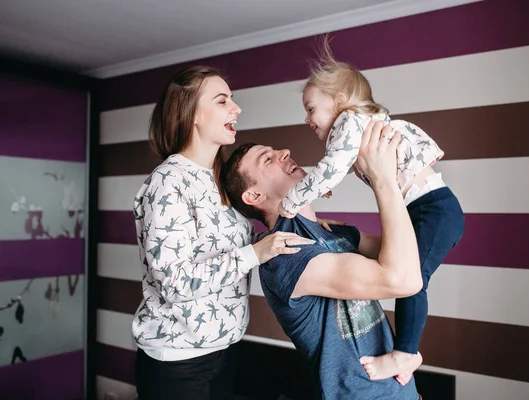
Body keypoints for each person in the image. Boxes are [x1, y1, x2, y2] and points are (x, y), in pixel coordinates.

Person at [277, 42, 465, 382]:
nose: (307, 119)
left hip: (433, 209)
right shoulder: (355, 126)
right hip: (429, 209)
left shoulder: (349, 121)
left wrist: (290, 201)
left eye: (311, 109)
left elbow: (331, 169)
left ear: (338, 101)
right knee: (411, 275)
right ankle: (405, 353)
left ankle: (405, 354)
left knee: (412, 282)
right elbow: (340, 167)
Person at [131, 65, 315, 400]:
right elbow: (173, 282)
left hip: (224, 350)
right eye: (222, 100)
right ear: (193, 115)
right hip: (177, 361)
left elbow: (231, 247)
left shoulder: (220, 179)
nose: (236, 108)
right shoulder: (168, 183)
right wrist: (255, 253)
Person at [220, 121, 423, 399]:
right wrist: (382, 180)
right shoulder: (285, 255)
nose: (284, 152)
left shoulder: (334, 232)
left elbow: (415, 255)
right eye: (267, 159)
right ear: (254, 195)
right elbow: (404, 279)